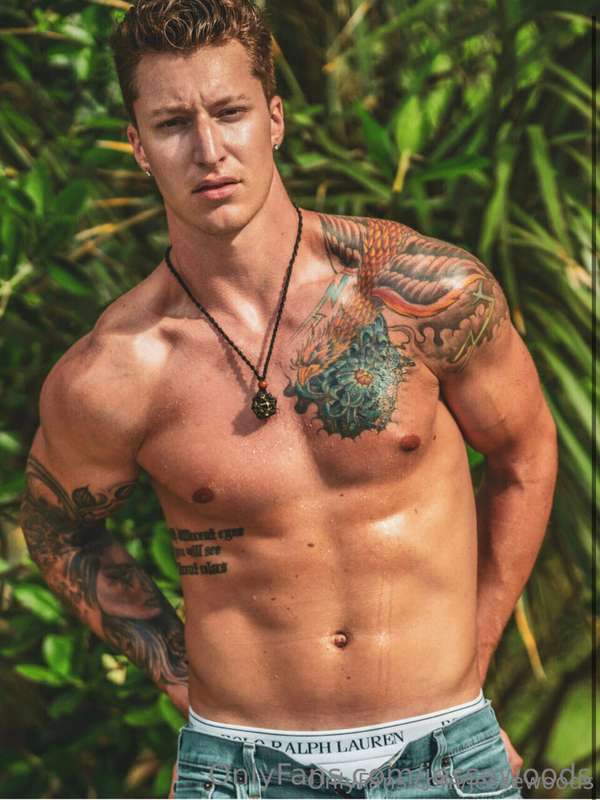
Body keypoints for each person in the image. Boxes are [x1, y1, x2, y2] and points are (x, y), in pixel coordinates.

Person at [20, 1, 558, 797]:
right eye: (172, 124)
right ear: (137, 145)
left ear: (274, 118)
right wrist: (177, 674)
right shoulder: (115, 370)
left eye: (229, 112)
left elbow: (524, 452)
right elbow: (56, 527)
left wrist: (473, 661)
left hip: (444, 749)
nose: (209, 151)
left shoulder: (421, 293)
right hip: (242, 769)